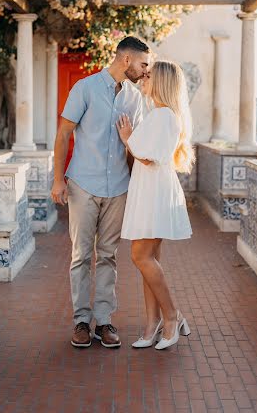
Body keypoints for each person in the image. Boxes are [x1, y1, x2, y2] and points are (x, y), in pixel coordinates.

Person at [51, 36, 151, 349]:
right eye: (143, 64)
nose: (146, 71)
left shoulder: (135, 98)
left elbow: (134, 146)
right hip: (83, 184)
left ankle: (104, 321)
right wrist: (58, 180)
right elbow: (64, 134)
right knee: (81, 255)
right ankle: (81, 320)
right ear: (126, 60)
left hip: (119, 187)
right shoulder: (85, 88)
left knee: (108, 255)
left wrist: (138, 182)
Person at [116, 60, 194, 350]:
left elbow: (147, 156)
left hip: (154, 192)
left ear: (161, 82)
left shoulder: (163, 116)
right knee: (149, 260)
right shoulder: (160, 114)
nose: (143, 79)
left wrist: (127, 139)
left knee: (141, 256)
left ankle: (172, 316)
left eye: (148, 76)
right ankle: (151, 326)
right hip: (150, 189)